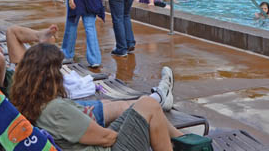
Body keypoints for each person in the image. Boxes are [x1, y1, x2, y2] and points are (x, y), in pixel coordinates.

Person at [10, 43, 185, 151]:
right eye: (59, 70)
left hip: (90, 142)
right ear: (51, 75)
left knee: (140, 106)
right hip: (104, 147)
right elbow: (107, 138)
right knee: (148, 105)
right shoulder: (56, 109)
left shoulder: (31, 103)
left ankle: (184, 142)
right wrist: (134, 130)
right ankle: (185, 143)